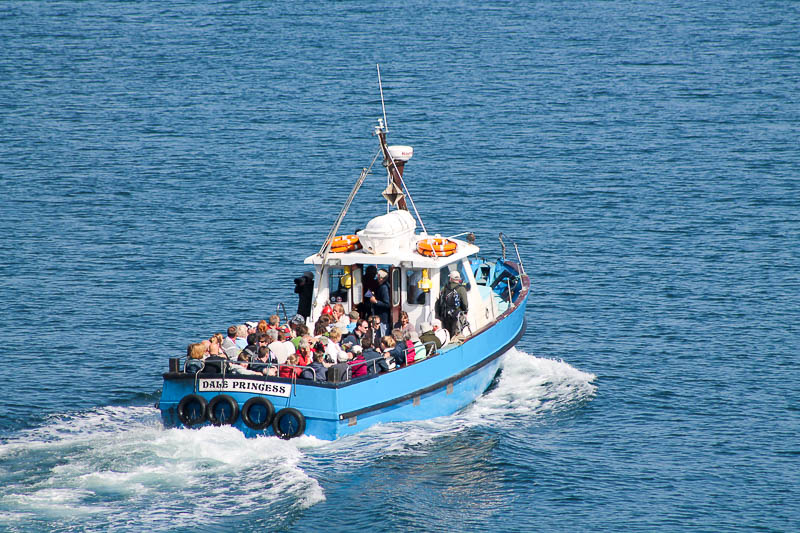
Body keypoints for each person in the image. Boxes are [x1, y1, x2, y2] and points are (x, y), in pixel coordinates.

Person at [437, 270, 469, 337]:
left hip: (445, 315)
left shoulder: (444, 288)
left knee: (448, 333)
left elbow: (441, 300)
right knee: (456, 334)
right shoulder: (461, 289)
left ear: (450, 279)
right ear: (459, 279)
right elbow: (465, 304)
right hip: (456, 316)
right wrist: (465, 311)